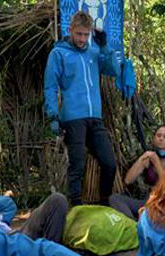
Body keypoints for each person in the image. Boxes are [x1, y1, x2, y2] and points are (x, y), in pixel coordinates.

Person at [44, 11, 121, 205]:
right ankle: (76, 206)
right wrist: (52, 116)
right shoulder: (58, 53)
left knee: (109, 163)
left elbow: (113, 70)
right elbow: (50, 86)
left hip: (95, 117)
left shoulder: (94, 52)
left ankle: (104, 204)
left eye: (86, 35)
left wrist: (104, 46)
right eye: (79, 34)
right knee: (77, 165)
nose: (82, 39)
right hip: (73, 117)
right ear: (70, 30)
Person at [109, 125, 165, 220]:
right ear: (154, 138)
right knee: (114, 199)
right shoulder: (149, 158)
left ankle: (145, 222)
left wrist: (157, 163)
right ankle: (133, 224)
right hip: (148, 202)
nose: (161, 138)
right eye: (158, 135)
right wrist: (141, 158)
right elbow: (128, 180)